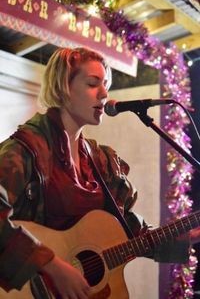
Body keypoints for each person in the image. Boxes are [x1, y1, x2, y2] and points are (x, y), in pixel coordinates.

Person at [0, 46, 200, 299]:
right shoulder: (24, 149)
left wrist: (185, 236)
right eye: (93, 83)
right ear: (63, 87)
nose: (104, 94)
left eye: (106, 84)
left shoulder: (102, 161)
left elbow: (130, 235)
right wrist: (51, 264)